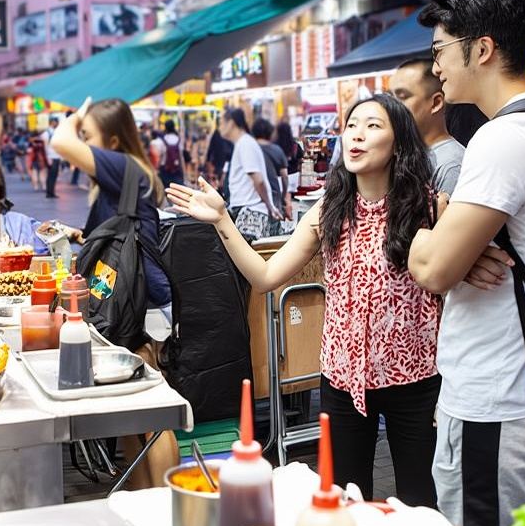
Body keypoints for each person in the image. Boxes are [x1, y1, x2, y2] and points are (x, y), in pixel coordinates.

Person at [169, 94, 443, 505]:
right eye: (352, 125)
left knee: (420, 502)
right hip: (342, 380)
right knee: (346, 500)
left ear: (399, 142)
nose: (357, 135)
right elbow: (264, 276)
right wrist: (222, 220)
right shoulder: (330, 209)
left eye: (372, 126)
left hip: (417, 382)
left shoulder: (431, 207)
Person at [406, 0, 525, 526]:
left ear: (481, 49)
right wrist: (449, 236)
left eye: (440, 50)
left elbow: (434, 268)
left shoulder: (505, 139)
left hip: (498, 398)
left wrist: (417, 231)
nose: (436, 66)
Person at [51, 98, 177, 488]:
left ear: (116, 141)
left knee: (153, 415)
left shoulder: (125, 168)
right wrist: (77, 236)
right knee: (129, 415)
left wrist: (73, 118)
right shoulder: (119, 177)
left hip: (144, 306)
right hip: (124, 303)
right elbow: (112, 241)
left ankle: (167, 501)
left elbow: (59, 141)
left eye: (89, 136)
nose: (82, 143)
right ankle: (142, 504)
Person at [390, 58, 465, 196]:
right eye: (390, 97)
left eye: (402, 97)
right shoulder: (406, 154)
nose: (391, 106)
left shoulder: (451, 165)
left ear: (436, 103)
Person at [218, 108, 282, 239]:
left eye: (221, 123)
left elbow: (258, 180)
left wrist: (270, 206)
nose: (219, 127)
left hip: (251, 215)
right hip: (247, 211)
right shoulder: (243, 143)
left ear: (231, 123)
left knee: (246, 257)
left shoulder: (245, 143)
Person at [252, 118, 290, 220]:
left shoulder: (249, 149)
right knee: (274, 224)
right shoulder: (276, 150)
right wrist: (284, 195)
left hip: (253, 192)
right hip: (273, 192)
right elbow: (285, 176)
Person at [157, 118, 185, 190]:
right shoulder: (178, 139)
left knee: (165, 191)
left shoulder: (162, 140)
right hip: (176, 170)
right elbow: (181, 157)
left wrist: (157, 169)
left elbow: (160, 156)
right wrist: (184, 172)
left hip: (164, 170)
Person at [205, 124, 233, 189]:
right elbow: (210, 151)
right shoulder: (221, 133)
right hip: (219, 167)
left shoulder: (220, 133)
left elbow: (210, 151)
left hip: (220, 166)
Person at [44, 116, 62, 199]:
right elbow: (45, 146)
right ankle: (49, 192)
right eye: (56, 122)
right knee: (51, 175)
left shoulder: (56, 132)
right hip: (51, 157)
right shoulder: (47, 133)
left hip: (56, 156)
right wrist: (48, 158)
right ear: (52, 122)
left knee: (54, 175)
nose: (57, 123)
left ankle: (52, 192)